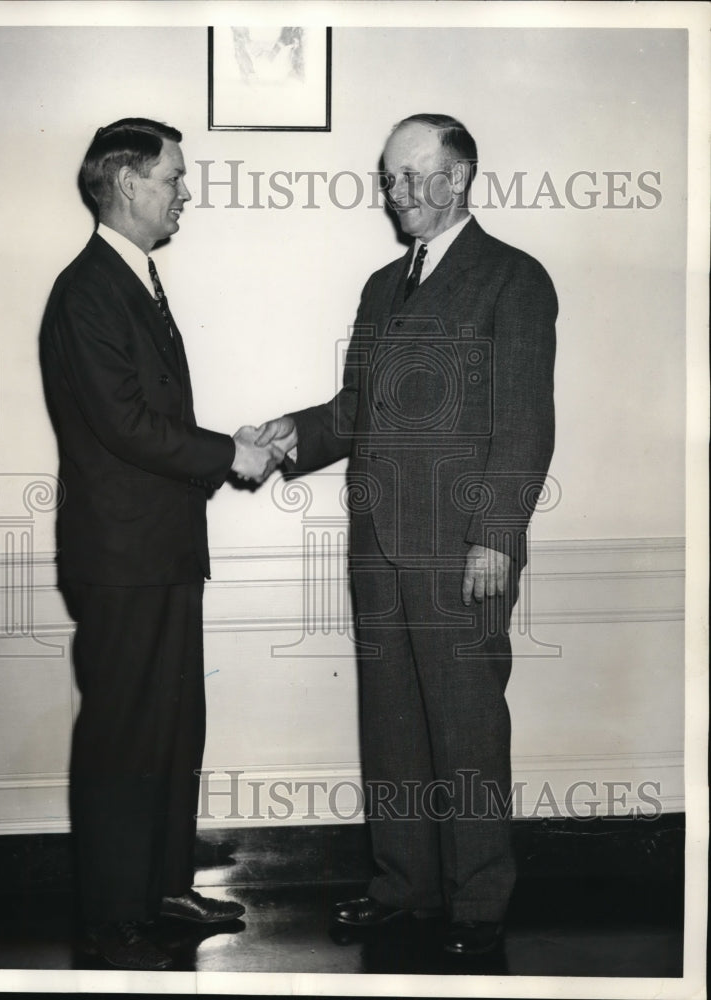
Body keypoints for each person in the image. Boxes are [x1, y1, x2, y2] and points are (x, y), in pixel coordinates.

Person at [257, 113, 557, 956]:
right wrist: (293, 432)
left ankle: (475, 905)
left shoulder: (513, 280)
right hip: (376, 545)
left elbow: (524, 425)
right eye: (389, 178)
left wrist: (494, 535)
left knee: (465, 728)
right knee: (390, 725)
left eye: (414, 175)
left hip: (462, 547)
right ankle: (404, 888)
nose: (397, 193)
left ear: (458, 178)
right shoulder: (381, 285)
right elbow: (356, 413)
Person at [40, 118, 282, 970]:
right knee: (123, 734)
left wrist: (227, 447)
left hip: (159, 549)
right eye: (175, 177)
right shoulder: (88, 291)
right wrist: (231, 453)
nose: (185, 192)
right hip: (123, 558)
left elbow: (150, 423)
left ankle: (163, 889)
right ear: (128, 183)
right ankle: (115, 915)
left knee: (173, 727)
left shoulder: (129, 280)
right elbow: (128, 426)